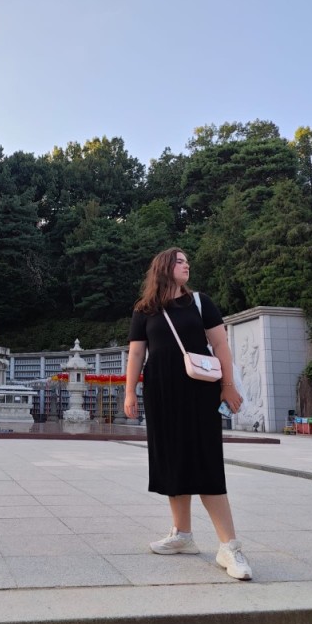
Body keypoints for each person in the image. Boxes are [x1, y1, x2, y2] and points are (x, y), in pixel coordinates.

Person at [124, 248, 252, 580]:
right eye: (181, 261)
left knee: (205, 460)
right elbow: (137, 353)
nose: (187, 266)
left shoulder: (200, 303)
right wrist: (129, 392)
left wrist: (228, 385)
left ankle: (230, 547)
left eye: (187, 262)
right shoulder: (145, 309)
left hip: (199, 392)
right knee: (171, 458)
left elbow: (221, 346)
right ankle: (183, 535)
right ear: (164, 267)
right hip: (161, 392)